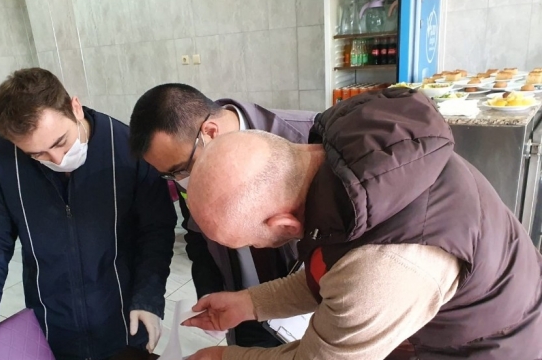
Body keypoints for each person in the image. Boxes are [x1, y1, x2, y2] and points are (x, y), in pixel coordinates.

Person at [182, 88, 542, 360]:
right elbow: (333, 272)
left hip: (490, 348)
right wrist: (249, 303)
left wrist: (225, 357)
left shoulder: (384, 268)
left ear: (286, 225)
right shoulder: (344, 169)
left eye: (251, 242)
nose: (252, 248)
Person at [0, 68, 177, 360]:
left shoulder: (126, 148)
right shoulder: (2, 159)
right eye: (37, 154)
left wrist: (149, 297)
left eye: (60, 142)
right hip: (51, 326)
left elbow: (156, 231)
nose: (58, 159)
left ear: (75, 107)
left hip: (124, 319)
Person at [128, 84, 317, 347]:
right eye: (169, 175)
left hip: (311, 315)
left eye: (180, 170)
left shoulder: (310, 137)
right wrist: (211, 291)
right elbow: (197, 236)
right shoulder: (188, 168)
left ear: (210, 133)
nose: (181, 182)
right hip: (241, 310)